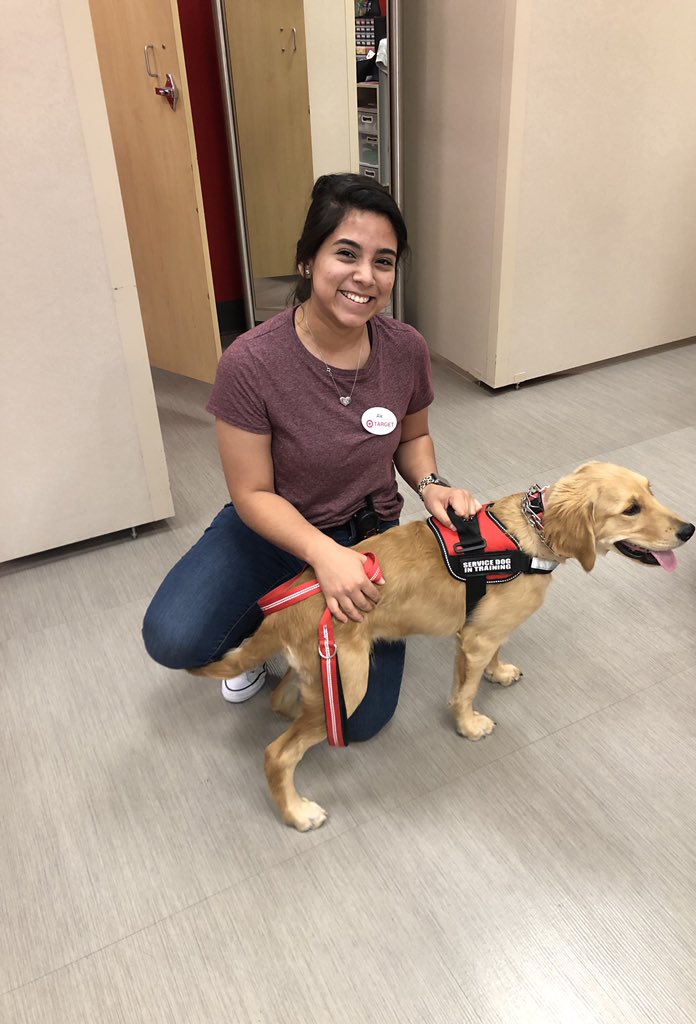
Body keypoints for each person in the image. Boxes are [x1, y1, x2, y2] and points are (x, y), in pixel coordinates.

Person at [142, 173, 480, 742]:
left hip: (368, 534)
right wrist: (321, 553)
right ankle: (270, 632)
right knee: (175, 637)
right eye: (346, 254)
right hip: (273, 527)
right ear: (306, 260)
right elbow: (251, 493)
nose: (365, 277)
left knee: (359, 720)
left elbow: (411, 439)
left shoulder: (405, 349)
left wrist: (433, 485)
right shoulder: (250, 363)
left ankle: (305, 612)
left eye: (384, 261)